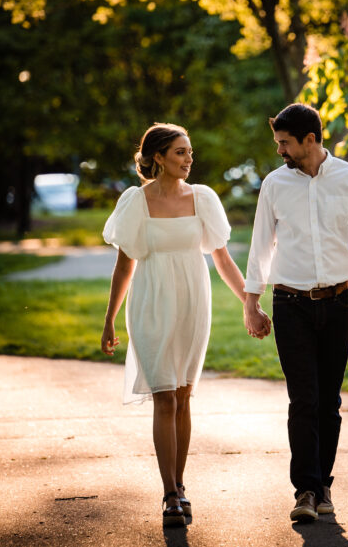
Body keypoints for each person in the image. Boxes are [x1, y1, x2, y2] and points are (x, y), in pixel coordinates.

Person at [100, 123, 258, 528]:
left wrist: (250, 303)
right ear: (158, 157)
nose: (189, 160)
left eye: (190, 152)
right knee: (164, 396)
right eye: (180, 153)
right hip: (151, 302)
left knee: (184, 395)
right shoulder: (135, 201)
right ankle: (169, 493)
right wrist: (109, 320)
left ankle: (181, 485)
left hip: (192, 302)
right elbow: (124, 265)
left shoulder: (203, 198)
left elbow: (221, 259)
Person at [243, 103, 348, 523]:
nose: (280, 150)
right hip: (290, 306)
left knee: (329, 402)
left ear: (311, 140)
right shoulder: (274, 184)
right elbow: (261, 243)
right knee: (303, 399)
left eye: (285, 143)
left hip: (338, 305)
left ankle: (323, 486)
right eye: (277, 143)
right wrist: (252, 301)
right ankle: (305, 490)